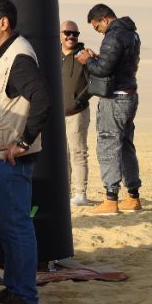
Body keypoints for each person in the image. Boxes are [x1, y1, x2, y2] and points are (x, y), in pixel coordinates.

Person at [0, 0, 50, 304]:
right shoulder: (1, 54)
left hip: (12, 158)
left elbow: (42, 100)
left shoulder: (19, 57)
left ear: (3, 23)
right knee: (5, 223)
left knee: (16, 225)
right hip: (0, 155)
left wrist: (23, 142)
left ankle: (25, 295)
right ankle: (13, 287)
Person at [76, 4, 142, 215]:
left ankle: (111, 199)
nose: (98, 31)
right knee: (125, 145)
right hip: (129, 95)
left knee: (107, 143)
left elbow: (103, 70)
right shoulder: (132, 34)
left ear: (104, 19)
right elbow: (117, 64)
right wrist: (98, 58)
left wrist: (87, 60)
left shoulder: (113, 36)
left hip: (114, 98)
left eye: (97, 27)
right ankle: (133, 197)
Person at [60, 21, 91, 206]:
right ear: (60, 35)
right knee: (61, 155)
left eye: (75, 34)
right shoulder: (52, 55)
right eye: (67, 33)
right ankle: (65, 192)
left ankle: (80, 194)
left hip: (77, 113)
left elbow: (93, 82)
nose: (71, 37)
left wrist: (78, 101)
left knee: (78, 152)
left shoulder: (84, 56)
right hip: (56, 116)